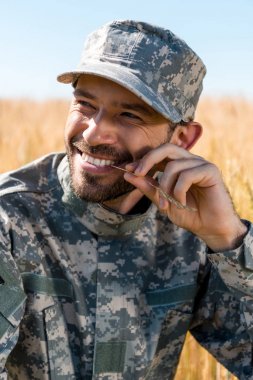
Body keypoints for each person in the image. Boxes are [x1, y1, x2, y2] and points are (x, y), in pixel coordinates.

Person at [0, 19, 252, 380]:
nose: (93, 132)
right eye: (85, 104)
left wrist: (231, 240)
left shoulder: (195, 237)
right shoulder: (9, 219)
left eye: (129, 115)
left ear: (182, 140)